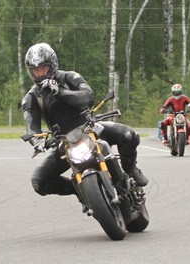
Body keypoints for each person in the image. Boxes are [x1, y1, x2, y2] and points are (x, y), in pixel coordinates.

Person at [21, 42, 148, 206]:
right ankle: (79, 189)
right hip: (64, 142)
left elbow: (87, 97)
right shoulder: (31, 98)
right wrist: (37, 141)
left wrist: (59, 92)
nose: (40, 74)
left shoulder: (69, 77)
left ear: (52, 65)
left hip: (90, 128)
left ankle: (130, 169)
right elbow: (31, 126)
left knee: (127, 134)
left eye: (43, 69)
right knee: (39, 181)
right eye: (35, 71)